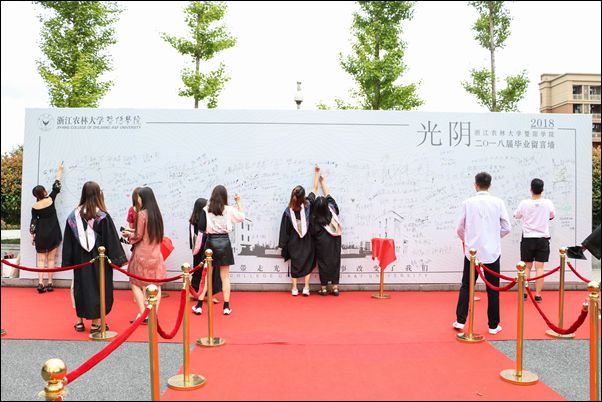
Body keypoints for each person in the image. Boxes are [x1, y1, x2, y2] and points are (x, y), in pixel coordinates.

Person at [62, 181, 127, 333]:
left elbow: (69, 241)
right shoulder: (102, 216)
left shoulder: (73, 216)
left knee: (79, 287)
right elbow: (111, 239)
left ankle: (79, 321)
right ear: (98, 194)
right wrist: (118, 259)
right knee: (98, 287)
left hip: (80, 261)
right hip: (99, 260)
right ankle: (96, 323)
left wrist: (68, 261)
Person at [453, 172, 511, 335]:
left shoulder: (467, 203)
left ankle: (460, 320)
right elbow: (507, 227)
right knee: (493, 289)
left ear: (475, 185)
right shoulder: (498, 202)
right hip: (492, 252)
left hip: (472, 253)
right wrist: (494, 237)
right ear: (490, 185)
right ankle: (493, 325)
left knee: (466, 286)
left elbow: (459, 228)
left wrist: (468, 241)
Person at [121, 187, 167, 323]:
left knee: (135, 282)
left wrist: (128, 235)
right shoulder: (157, 213)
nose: (138, 200)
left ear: (143, 198)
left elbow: (138, 235)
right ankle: (153, 313)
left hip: (142, 254)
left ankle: (143, 313)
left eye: (139, 198)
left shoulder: (142, 214)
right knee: (156, 285)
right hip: (156, 254)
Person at [203, 185, 245, 315]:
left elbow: (202, 226)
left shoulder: (206, 209)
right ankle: (226, 306)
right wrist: (238, 202)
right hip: (225, 242)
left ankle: (199, 305)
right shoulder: (229, 209)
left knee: (207, 276)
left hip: (210, 242)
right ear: (225, 196)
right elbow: (241, 217)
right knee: (225, 277)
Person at [513, 178, 555, 303]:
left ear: (531, 189)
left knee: (527, 267)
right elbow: (552, 216)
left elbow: (516, 215)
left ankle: (525, 293)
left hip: (528, 237)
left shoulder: (524, 203)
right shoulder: (548, 203)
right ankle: (537, 295)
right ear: (542, 189)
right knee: (540, 268)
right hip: (542, 238)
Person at [30, 162, 64, 293]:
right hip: (53, 233)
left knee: (40, 259)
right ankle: (50, 283)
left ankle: (40, 283)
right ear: (44, 192)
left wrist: (33, 235)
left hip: (41, 234)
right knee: (51, 259)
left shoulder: (34, 207)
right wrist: (59, 171)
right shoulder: (50, 199)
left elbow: (33, 223)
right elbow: (56, 185)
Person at [310, 166, 342, 296]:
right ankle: (335, 288)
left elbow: (313, 233)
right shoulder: (333, 210)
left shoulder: (315, 220)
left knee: (323, 263)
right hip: (335, 242)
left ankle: (323, 288)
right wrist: (322, 181)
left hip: (322, 245)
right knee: (335, 262)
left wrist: (317, 177)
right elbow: (328, 195)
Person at [279, 181, 315, 297]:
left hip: (294, 242)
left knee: (295, 263)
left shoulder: (288, 211)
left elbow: (284, 230)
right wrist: (317, 175)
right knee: (308, 262)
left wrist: (283, 244)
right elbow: (314, 191)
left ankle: (294, 288)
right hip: (307, 240)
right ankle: (306, 287)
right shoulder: (308, 206)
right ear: (303, 197)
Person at [189, 197, 222, 315]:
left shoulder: (192, 221)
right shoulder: (204, 220)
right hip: (206, 250)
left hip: (197, 250)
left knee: (198, 272)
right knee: (209, 273)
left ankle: (195, 292)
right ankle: (209, 295)